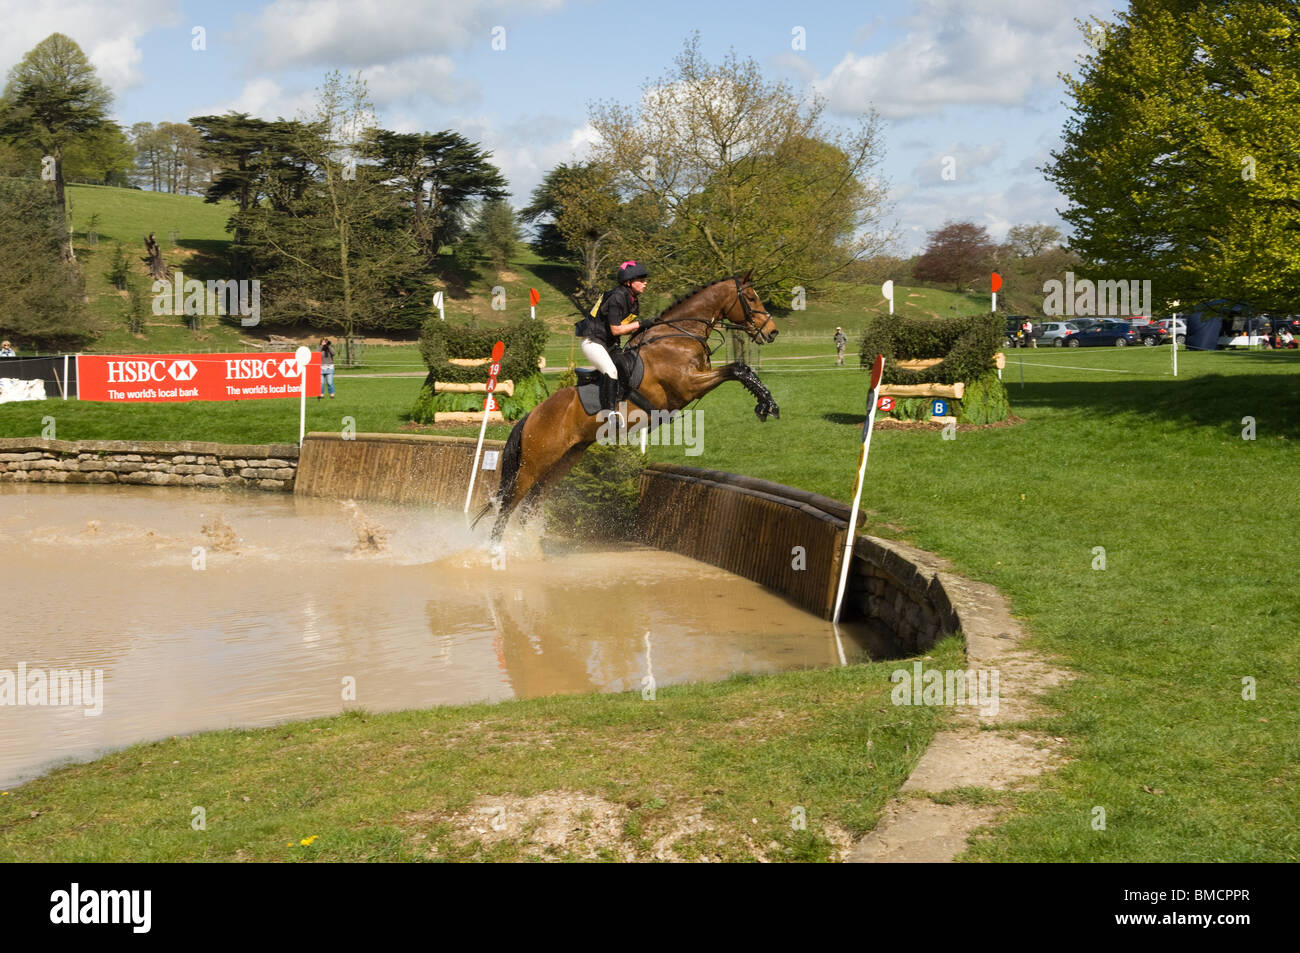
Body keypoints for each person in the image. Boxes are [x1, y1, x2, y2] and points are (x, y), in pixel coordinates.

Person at [574, 260, 651, 411]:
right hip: (593, 342)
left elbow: (625, 328)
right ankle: (609, 413)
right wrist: (640, 324)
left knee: (628, 367)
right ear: (629, 282)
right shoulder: (617, 297)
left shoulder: (633, 301)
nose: (645, 283)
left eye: (645, 280)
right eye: (641, 280)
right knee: (611, 371)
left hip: (608, 344)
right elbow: (616, 330)